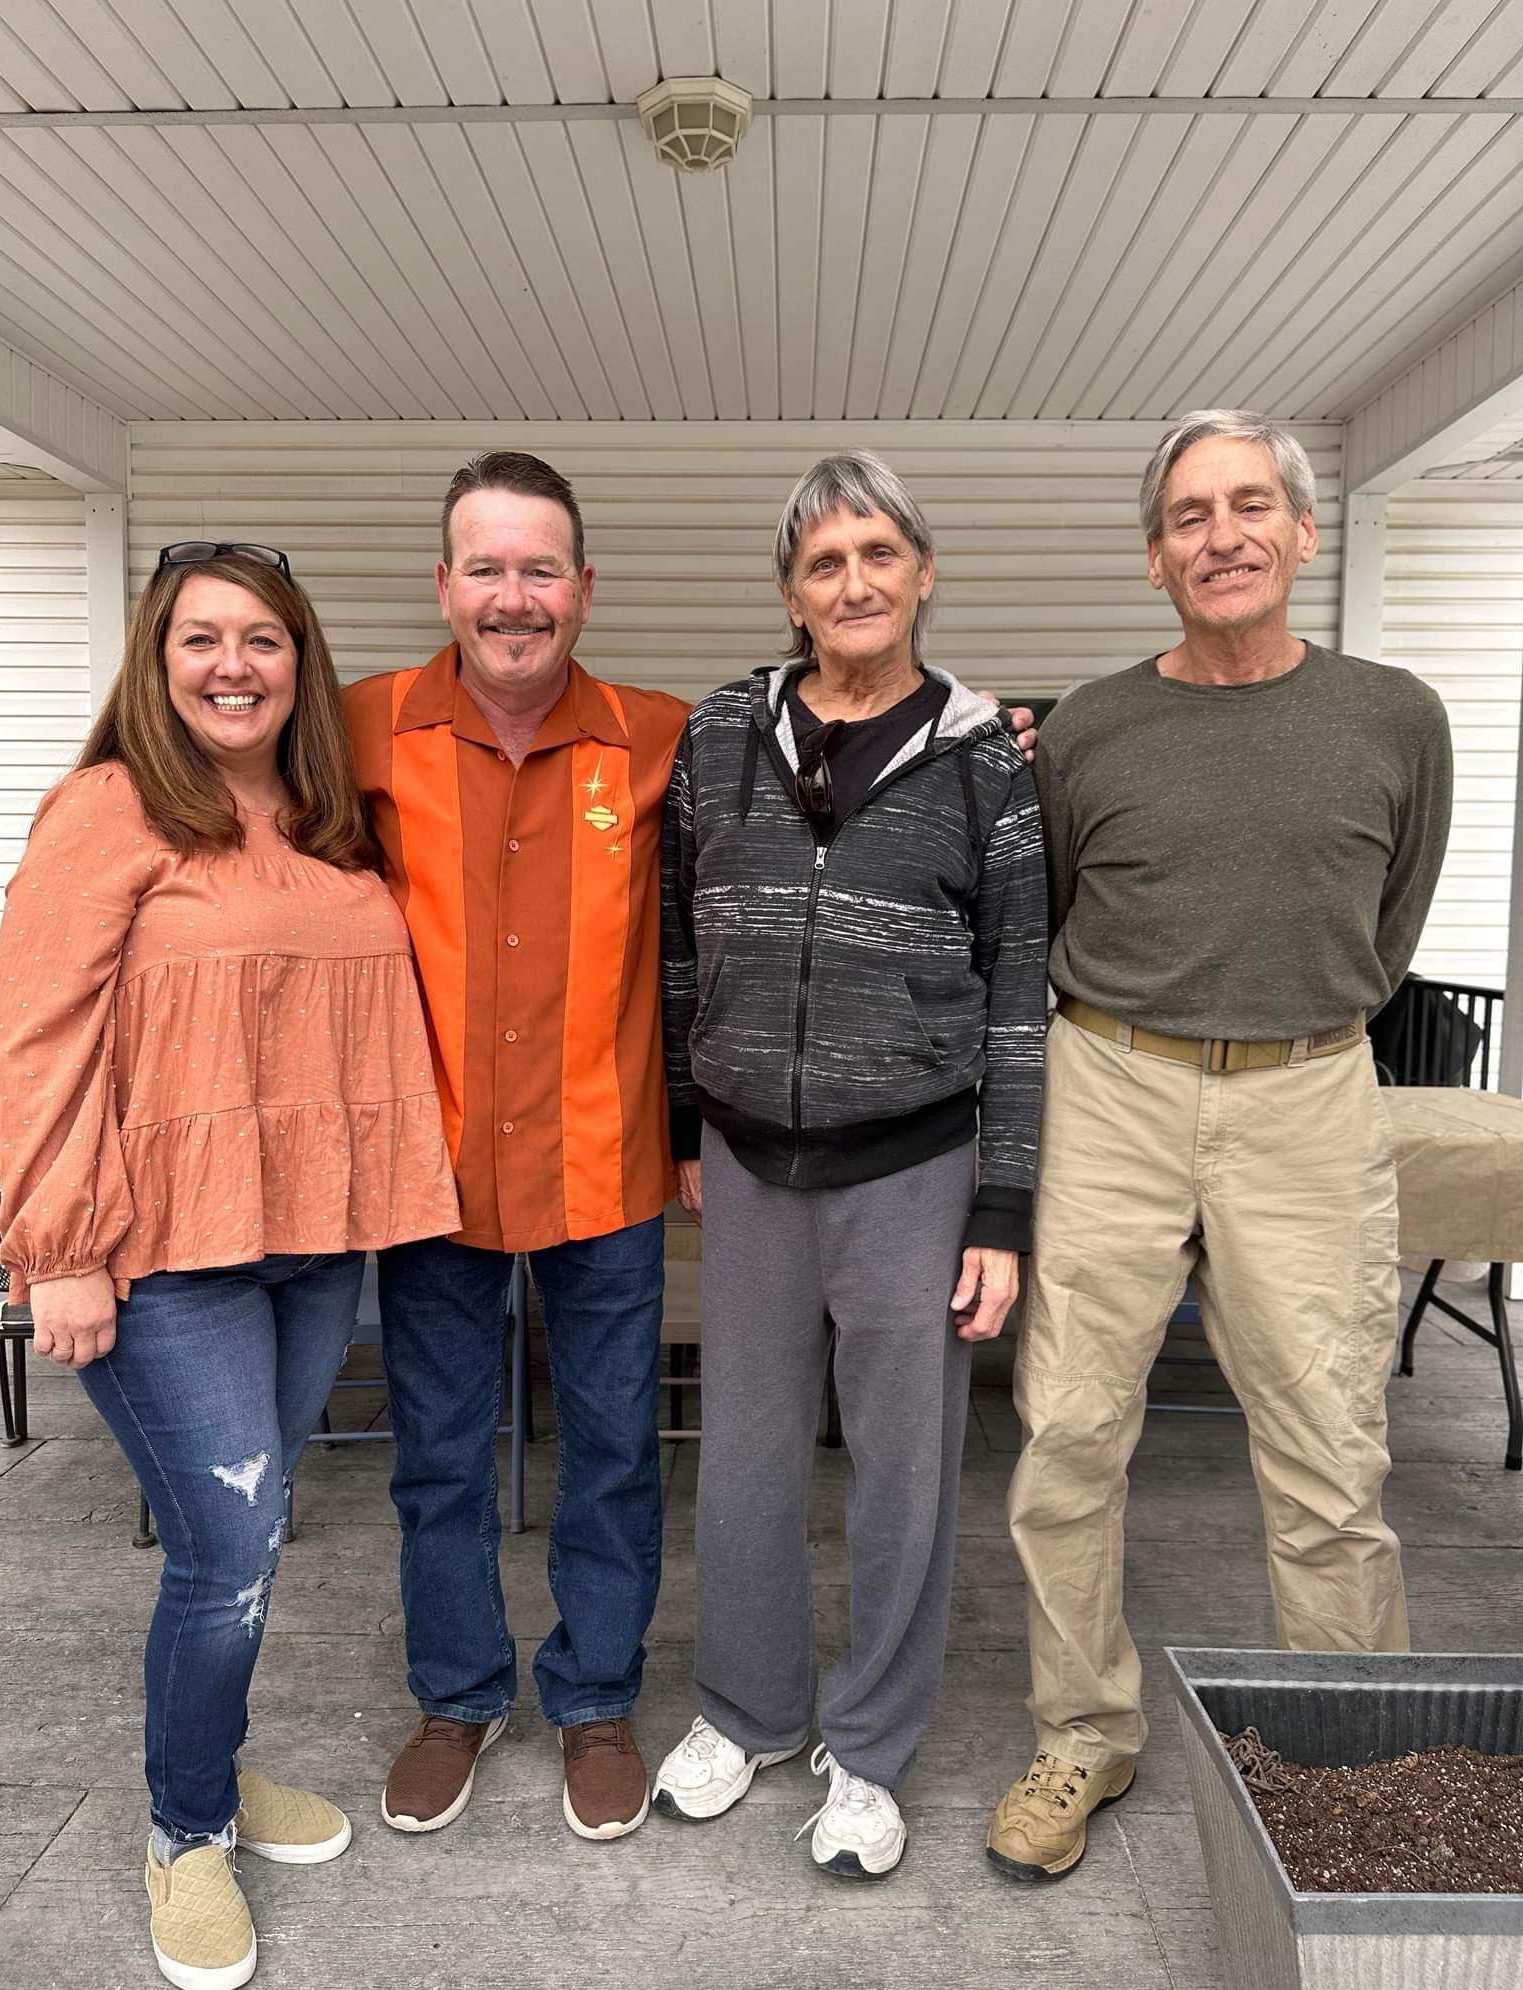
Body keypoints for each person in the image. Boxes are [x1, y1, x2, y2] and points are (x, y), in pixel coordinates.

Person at [986, 410, 1453, 1884]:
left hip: (1309, 1092)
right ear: (1153, 558)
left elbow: (1393, 924)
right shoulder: (1094, 731)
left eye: (1252, 506)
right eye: (1189, 515)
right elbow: (1046, 912)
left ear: (1304, 534)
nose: (1222, 535)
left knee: (1327, 1448)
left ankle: (1352, 1758)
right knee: (1069, 1431)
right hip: (1112, 1082)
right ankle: (1084, 1735)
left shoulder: (1394, 716)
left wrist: (1291, 1026)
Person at [0, 541, 459, 1990]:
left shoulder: (327, 820)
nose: (234, 665)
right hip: (158, 1253)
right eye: (203, 639)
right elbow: (35, 1037)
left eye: (264, 639)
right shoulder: (108, 809)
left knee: (242, 1543)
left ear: (300, 662)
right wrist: (54, 1249)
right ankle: (184, 1830)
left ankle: (215, 1766)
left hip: (309, 1243)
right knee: (230, 1550)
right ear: (157, 656)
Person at [652, 452, 1047, 1880]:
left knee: (902, 1467)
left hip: (919, 1163)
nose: (855, 583)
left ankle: (869, 1745)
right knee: (743, 1457)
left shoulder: (988, 760)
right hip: (749, 1158)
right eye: (824, 563)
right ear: (790, 592)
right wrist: (683, 1125)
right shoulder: (717, 735)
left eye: (878, 554)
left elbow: (1017, 988)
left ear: (923, 572)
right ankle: (748, 1711)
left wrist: (1003, 1202)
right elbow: (677, 944)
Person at [344, 454, 690, 1845]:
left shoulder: (659, 737)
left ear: (585, 589)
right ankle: (459, 1693)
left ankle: (596, 1699)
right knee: (438, 1452)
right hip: (428, 1173)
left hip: (607, 1165)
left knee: (613, 1449)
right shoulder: (361, 729)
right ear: (443, 585)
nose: (513, 596)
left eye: (540, 568)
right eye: (485, 567)